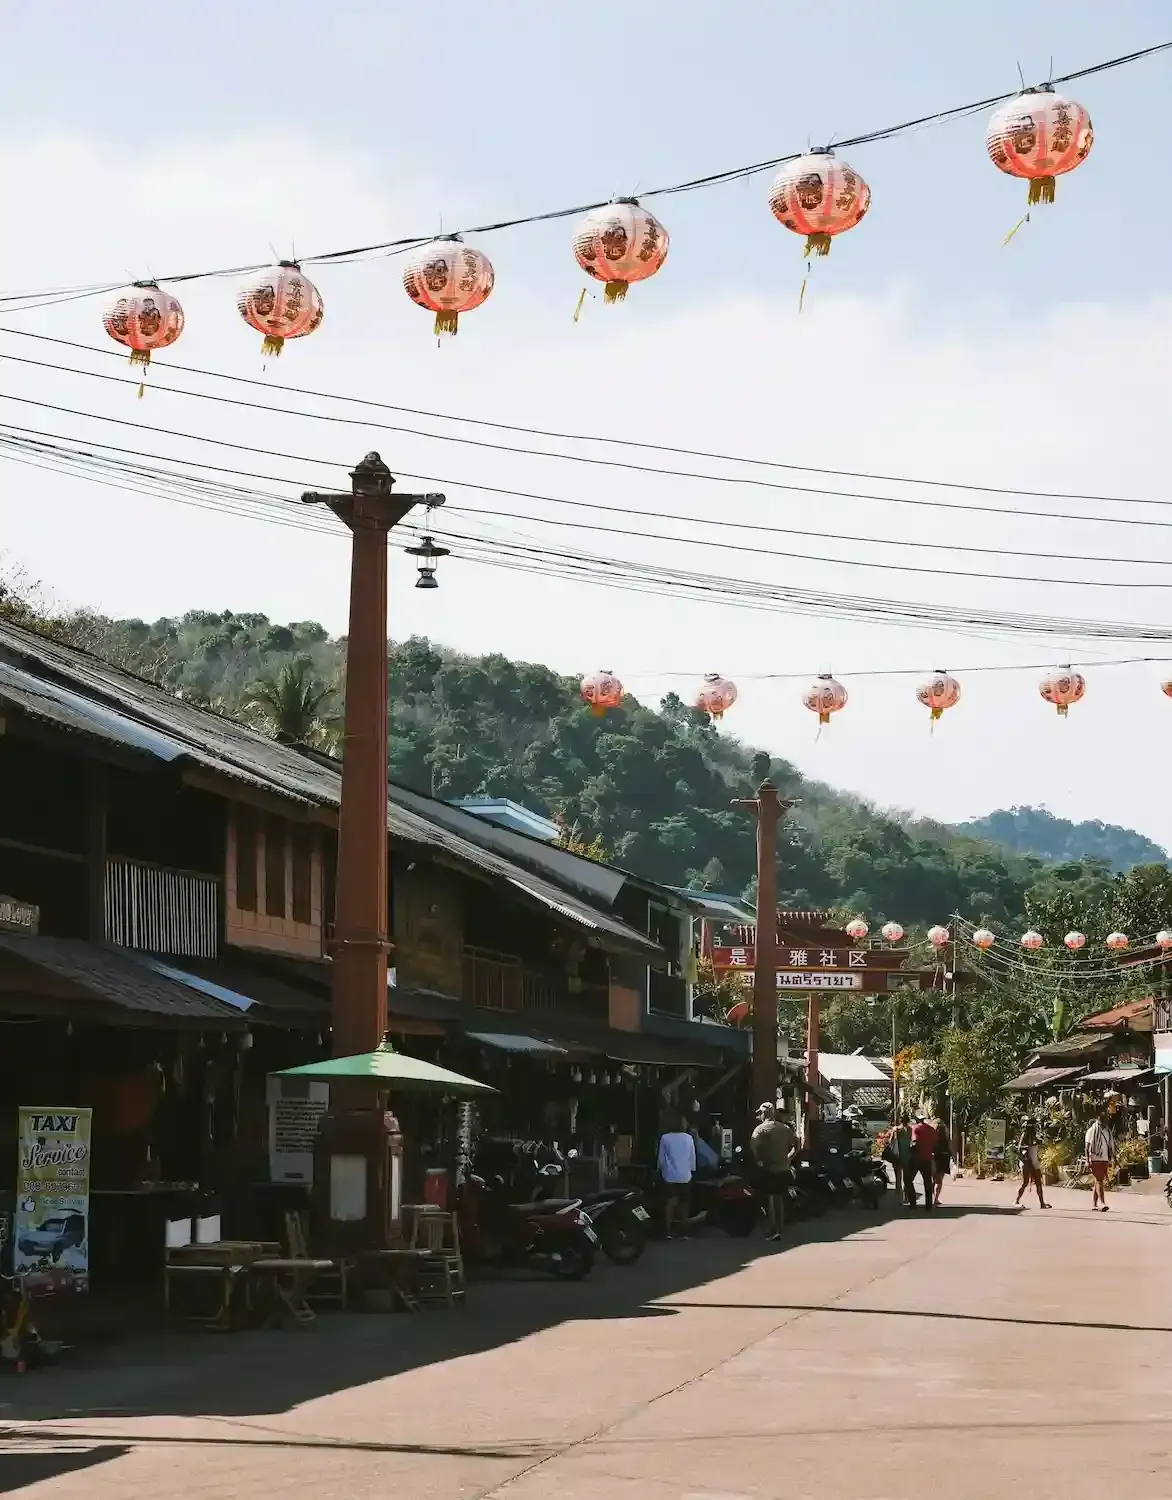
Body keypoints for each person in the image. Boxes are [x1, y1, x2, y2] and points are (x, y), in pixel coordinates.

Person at [750, 1102, 796, 1241]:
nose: (760, 1115)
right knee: (779, 1197)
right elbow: (796, 1145)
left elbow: (753, 1147)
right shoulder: (785, 1128)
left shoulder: (760, 1129)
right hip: (783, 1168)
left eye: (761, 1113)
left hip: (768, 1168)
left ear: (765, 1114)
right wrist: (789, 1158)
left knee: (771, 1197)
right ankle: (780, 1228)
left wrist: (759, 1161)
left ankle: (772, 1228)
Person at [657, 1115, 697, 1239]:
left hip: (669, 1175)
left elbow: (661, 1158)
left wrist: (660, 1170)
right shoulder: (689, 1138)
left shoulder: (665, 1138)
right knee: (684, 1204)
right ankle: (683, 1233)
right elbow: (692, 1158)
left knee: (670, 1203)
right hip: (685, 1175)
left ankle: (668, 1232)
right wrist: (692, 1170)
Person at [1014, 1118, 1049, 1209]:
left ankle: (1042, 1203)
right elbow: (1020, 1150)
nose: (1036, 1127)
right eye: (1035, 1125)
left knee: (1038, 1183)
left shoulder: (1033, 1135)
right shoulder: (1025, 1135)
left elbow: (1035, 1144)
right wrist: (1028, 1163)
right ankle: (1016, 1200)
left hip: (1034, 1162)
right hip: (1027, 1163)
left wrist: (1040, 1141)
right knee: (1025, 1183)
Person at [1085, 1110, 1116, 1212]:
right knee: (1099, 1181)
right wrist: (1087, 1160)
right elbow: (1087, 1147)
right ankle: (1102, 1203)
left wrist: (1113, 1158)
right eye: (1103, 1119)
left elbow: (1110, 1145)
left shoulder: (1108, 1131)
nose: (1105, 1121)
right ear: (1098, 1119)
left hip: (1105, 1158)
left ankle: (1094, 1204)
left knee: (1098, 1181)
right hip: (1095, 1158)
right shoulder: (1091, 1131)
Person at [909, 1116, 938, 1211]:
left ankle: (913, 1203)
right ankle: (928, 1205)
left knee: (908, 1180)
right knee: (927, 1182)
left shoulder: (916, 1128)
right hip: (927, 1158)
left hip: (917, 1158)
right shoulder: (931, 1130)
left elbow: (914, 1142)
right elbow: (935, 1143)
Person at [931, 1116, 953, 1206]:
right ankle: (936, 1198)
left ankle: (933, 1197)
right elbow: (950, 1145)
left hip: (934, 1156)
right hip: (944, 1156)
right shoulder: (946, 1133)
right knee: (939, 1179)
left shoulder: (932, 1133)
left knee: (934, 1178)